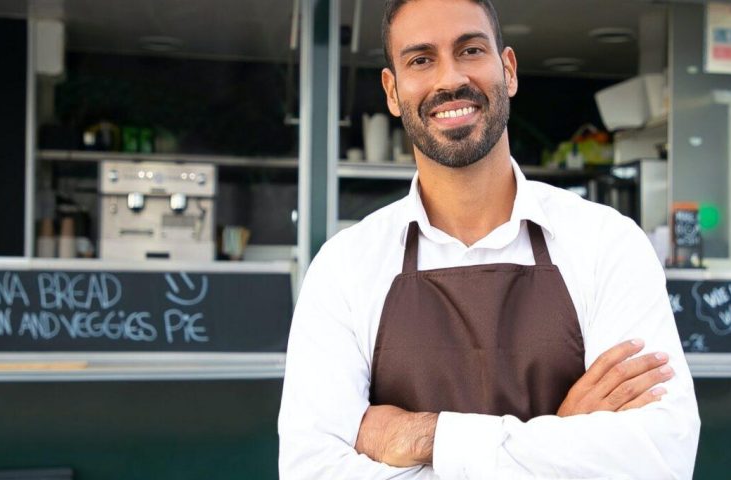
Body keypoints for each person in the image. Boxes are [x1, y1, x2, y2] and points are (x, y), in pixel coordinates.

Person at [278, 0, 700, 477]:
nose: (449, 79)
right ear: (392, 91)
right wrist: (560, 436)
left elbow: (658, 459)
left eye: (471, 50)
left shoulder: (607, 243)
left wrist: (423, 436)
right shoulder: (344, 268)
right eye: (420, 60)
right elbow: (311, 470)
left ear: (509, 69)